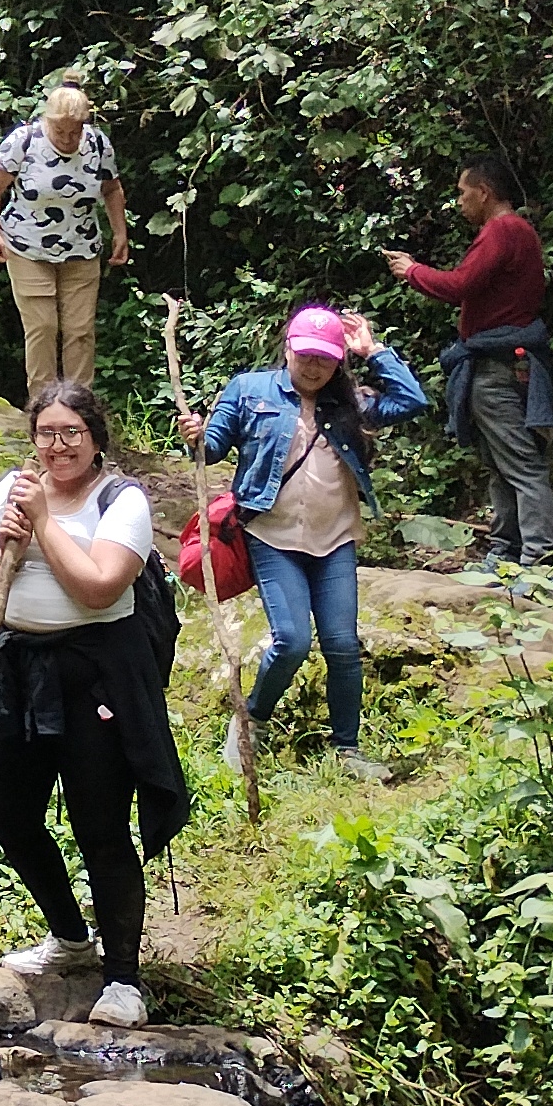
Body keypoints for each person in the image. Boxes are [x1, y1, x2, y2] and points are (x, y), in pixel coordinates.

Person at [0, 378, 189, 1030]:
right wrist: (9, 539)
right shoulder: (12, 493)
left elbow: (96, 587)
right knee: (10, 815)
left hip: (96, 674)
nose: (58, 446)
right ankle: (68, 937)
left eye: (71, 434)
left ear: (94, 440)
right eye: (46, 434)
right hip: (18, 671)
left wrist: (40, 527)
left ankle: (123, 981)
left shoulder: (123, 501)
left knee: (100, 827)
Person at [181, 306, 427, 770]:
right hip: (271, 535)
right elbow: (210, 447)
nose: (313, 366)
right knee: (292, 640)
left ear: (338, 361)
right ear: (289, 347)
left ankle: (347, 749)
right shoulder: (249, 389)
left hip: (334, 537)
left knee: (341, 643)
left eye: (326, 358)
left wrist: (372, 350)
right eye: (306, 354)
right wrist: (194, 435)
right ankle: (251, 721)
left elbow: (412, 400)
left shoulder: (350, 401)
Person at [384, 155, 553, 571]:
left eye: (463, 192)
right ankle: (505, 552)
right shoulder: (515, 232)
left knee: (521, 465)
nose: (459, 201)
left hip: (497, 365)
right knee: (501, 464)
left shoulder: (504, 230)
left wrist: (412, 271)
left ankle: (538, 558)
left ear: (484, 192)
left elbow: (460, 285)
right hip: (498, 361)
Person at [0, 83, 130, 397]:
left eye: (74, 132)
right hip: (26, 248)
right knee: (43, 328)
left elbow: (111, 189)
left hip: (82, 248)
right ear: (47, 121)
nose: (67, 139)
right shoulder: (23, 141)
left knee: (80, 331)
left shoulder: (97, 143)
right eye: (60, 131)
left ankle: (79, 408)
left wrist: (120, 233)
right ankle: (43, 409)